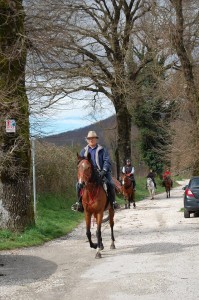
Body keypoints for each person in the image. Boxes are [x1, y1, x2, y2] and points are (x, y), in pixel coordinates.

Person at [72, 130, 117, 212]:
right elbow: (80, 162)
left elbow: (107, 161)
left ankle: (113, 202)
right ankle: (79, 203)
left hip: (102, 171)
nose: (91, 140)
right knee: (78, 185)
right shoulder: (83, 151)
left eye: (93, 138)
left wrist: (104, 170)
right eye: (89, 138)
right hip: (89, 174)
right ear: (87, 140)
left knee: (110, 183)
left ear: (96, 139)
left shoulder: (102, 150)